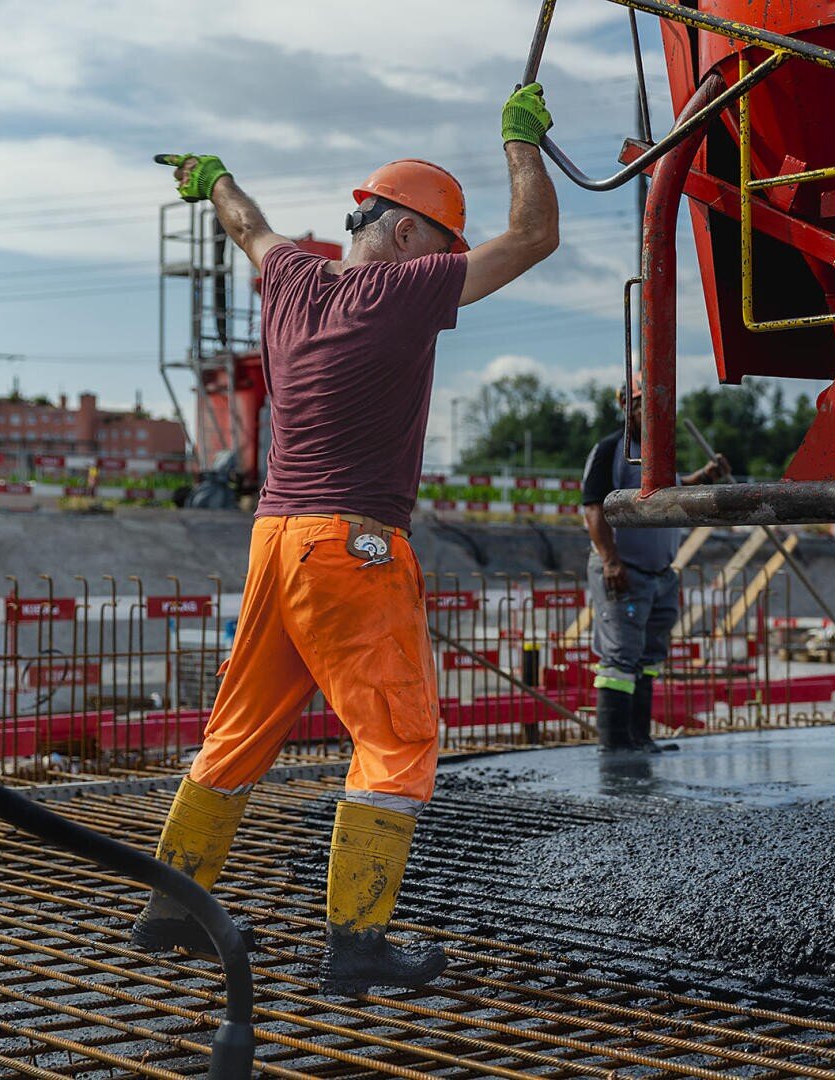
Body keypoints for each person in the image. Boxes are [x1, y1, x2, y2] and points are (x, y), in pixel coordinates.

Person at [133, 84, 559, 996]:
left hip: (275, 539)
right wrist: (520, 142)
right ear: (404, 234)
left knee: (236, 733)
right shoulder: (402, 291)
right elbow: (532, 238)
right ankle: (357, 945)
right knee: (398, 739)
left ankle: (170, 913)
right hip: (351, 547)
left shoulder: (292, 279)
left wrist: (214, 180)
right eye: (445, 247)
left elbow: (248, 226)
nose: (452, 268)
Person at [580, 376, 729, 752]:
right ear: (625, 407)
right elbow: (593, 509)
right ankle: (616, 746)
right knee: (620, 658)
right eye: (640, 403)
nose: (648, 411)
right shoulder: (612, 450)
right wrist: (611, 563)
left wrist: (705, 478)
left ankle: (638, 738)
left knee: (647, 658)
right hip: (624, 572)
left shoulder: (659, 457)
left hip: (659, 576)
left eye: (654, 403)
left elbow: (670, 495)